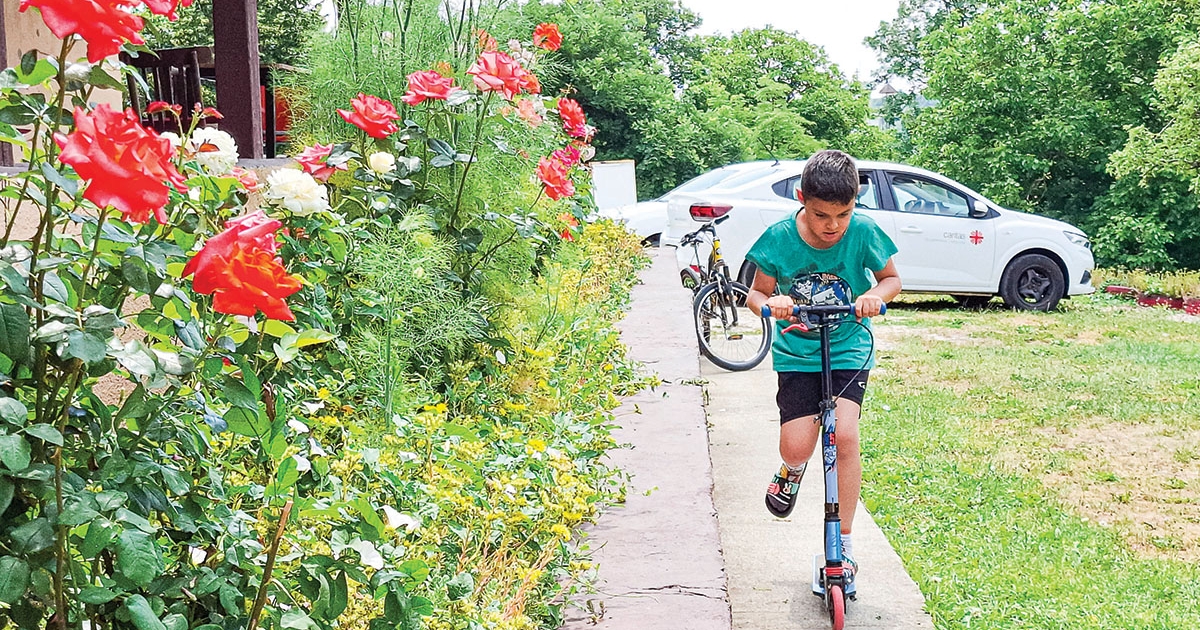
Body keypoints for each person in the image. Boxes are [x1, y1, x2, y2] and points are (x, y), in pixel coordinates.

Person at [744, 149, 901, 573]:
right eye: (820, 215)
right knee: (797, 445)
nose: (833, 226)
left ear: (855, 203)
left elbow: (891, 280)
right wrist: (770, 302)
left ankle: (843, 543)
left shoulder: (864, 231)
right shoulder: (778, 238)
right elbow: (756, 293)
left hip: (849, 347)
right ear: (801, 198)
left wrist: (873, 297)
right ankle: (791, 471)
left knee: (844, 436)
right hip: (798, 354)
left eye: (843, 214)